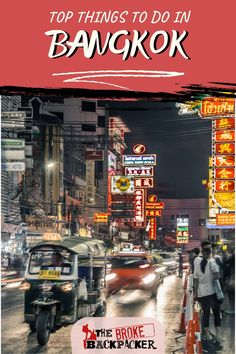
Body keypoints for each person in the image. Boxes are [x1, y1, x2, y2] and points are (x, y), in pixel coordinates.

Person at [193, 241, 223, 348]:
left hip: (202, 294)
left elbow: (195, 280)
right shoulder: (212, 261)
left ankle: (207, 334)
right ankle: (217, 336)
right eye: (209, 249)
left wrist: (195, 294)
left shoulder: (197, 262)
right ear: (209, 251)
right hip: (212, 293)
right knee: (216, 314)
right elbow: (217, 275)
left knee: (205, 314)